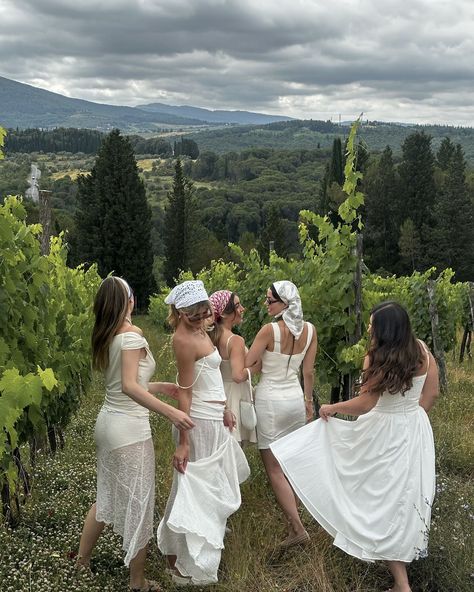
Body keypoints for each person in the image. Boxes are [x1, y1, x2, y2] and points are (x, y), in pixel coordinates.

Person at [271, 301, 439, 592]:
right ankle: (402, 581)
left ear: (386, 330)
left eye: (374, 325)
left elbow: (366, 404)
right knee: (404, 497)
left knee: (376, 498)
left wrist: (332, 407)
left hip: (384, 432)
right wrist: (412, 417)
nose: (369, 329)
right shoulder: (423, 351)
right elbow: (432, 392)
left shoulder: (376, 358)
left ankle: (401, 582)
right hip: (415, 430)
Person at [76, 276, 194, 592]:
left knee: (106, 496)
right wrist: (171, 412)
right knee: (140, 502)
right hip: (128, 429)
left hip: (108, 424)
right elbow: (129, 387)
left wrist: (158, 388)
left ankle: (82, 561)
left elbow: (124, 383)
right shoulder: (132, 335)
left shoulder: (109, 336)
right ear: (128, 301)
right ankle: (138, 582)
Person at [157, 280, 250, 586]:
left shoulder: (200, 331)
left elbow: (207, 377)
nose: (202, 320)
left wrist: (224, 407)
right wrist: (183, 442)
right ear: (181, 313)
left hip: (214, 417)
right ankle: (183, 561)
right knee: (195, 489)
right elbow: (185, 391)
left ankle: (192, 555)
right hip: (197, 422)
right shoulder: (183, 340)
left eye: (205, 314)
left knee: (209, 486)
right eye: (195, 316)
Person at [245, 280, 317, 548]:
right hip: (295, 400)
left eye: (270, 300)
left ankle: (297, 529)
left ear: (285, 303)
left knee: (274, 469)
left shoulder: (269, 331)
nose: (266, 304)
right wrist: (309, 402)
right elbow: (308, 372)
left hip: (270, 401)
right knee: (289, 467)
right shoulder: (310, 331)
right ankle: (292, 526)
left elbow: (249, 362)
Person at [208, 289, 258, 444]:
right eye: (237, 305)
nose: (242, 309)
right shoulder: (235, 340)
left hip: (219, 392)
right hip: (234, 396)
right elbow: (237, 376)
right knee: (234, 449)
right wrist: (258, 367)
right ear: (223, 313)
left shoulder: (211, 337)